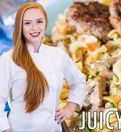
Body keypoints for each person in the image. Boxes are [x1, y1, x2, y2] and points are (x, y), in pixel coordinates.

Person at [0, 2, 87, 131]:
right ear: (20, 27)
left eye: (39, 21)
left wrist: (70, 107)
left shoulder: (58, 55)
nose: (34, 28)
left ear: (45, 23)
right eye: (27, 23)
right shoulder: (8, 59)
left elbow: (79, 81)